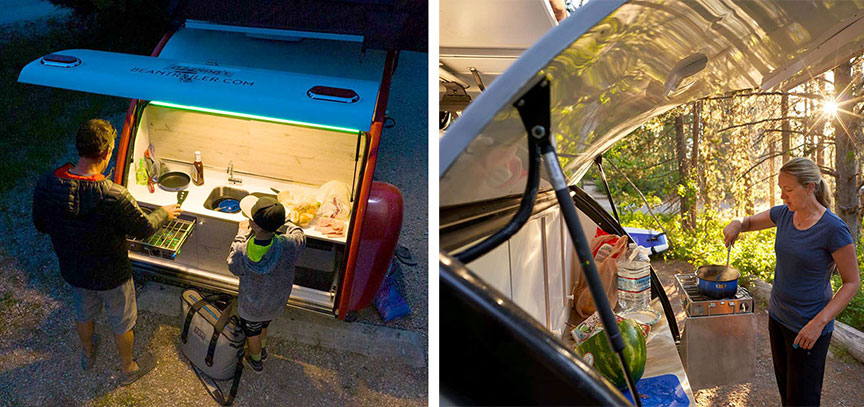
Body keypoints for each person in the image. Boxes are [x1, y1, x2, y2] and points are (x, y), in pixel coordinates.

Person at [32, 119, 182, 385]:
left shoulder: (47, 184)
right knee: (122, 321)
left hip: (75, 271)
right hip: (113, 275)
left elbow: (41, 225)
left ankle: (87, 352)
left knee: (83, 312)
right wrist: (164, 212)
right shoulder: (115, 195)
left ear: (79, 148)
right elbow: (144, 228)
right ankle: (128, 368)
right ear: (106, 153)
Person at [722, 157, 860, 406]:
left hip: (808, 328)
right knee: (787, 394)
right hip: (778, 319)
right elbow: (749, 222)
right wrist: (736, 223)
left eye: (788, 190)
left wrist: (818, 323)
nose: (783, 196)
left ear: (810, 187)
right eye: (780, 189)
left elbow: (852, 283)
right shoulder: (784, 214)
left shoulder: (833, 229)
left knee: (803, 400)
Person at [227, 195, 305, 373]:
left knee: (252, 332)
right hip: (275, 301)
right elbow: (299, 234)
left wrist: (240, 233)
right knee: (263, 325)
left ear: (253, 225)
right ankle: (262, 351)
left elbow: (233, 266)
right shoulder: (289, 244)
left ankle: (256, 361)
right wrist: (285, 221)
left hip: (252, 306)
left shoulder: (242, 250)